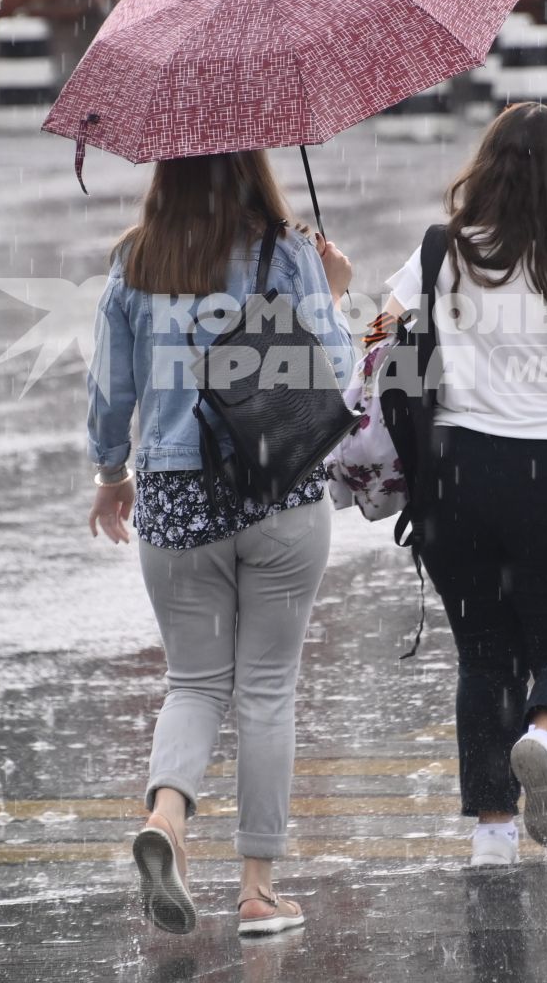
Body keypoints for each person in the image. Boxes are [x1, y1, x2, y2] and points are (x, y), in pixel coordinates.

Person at [86, 151, 355, 936]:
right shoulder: (291, 251)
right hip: (279, 490)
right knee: (267, 689)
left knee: (195, 683)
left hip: (174, 496)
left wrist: (111, 470)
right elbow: (341, 380)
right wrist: (332, 296)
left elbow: (111, 387)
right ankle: (258, 891)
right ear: (253, 166)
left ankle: (167, 818)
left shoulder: (137, 258)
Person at [379, 103, 547, 867]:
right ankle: (545, 736)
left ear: (487, 167)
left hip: (458, 480)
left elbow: (383, 338)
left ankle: (493, 834)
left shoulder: (442, 252)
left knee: (486, 657)